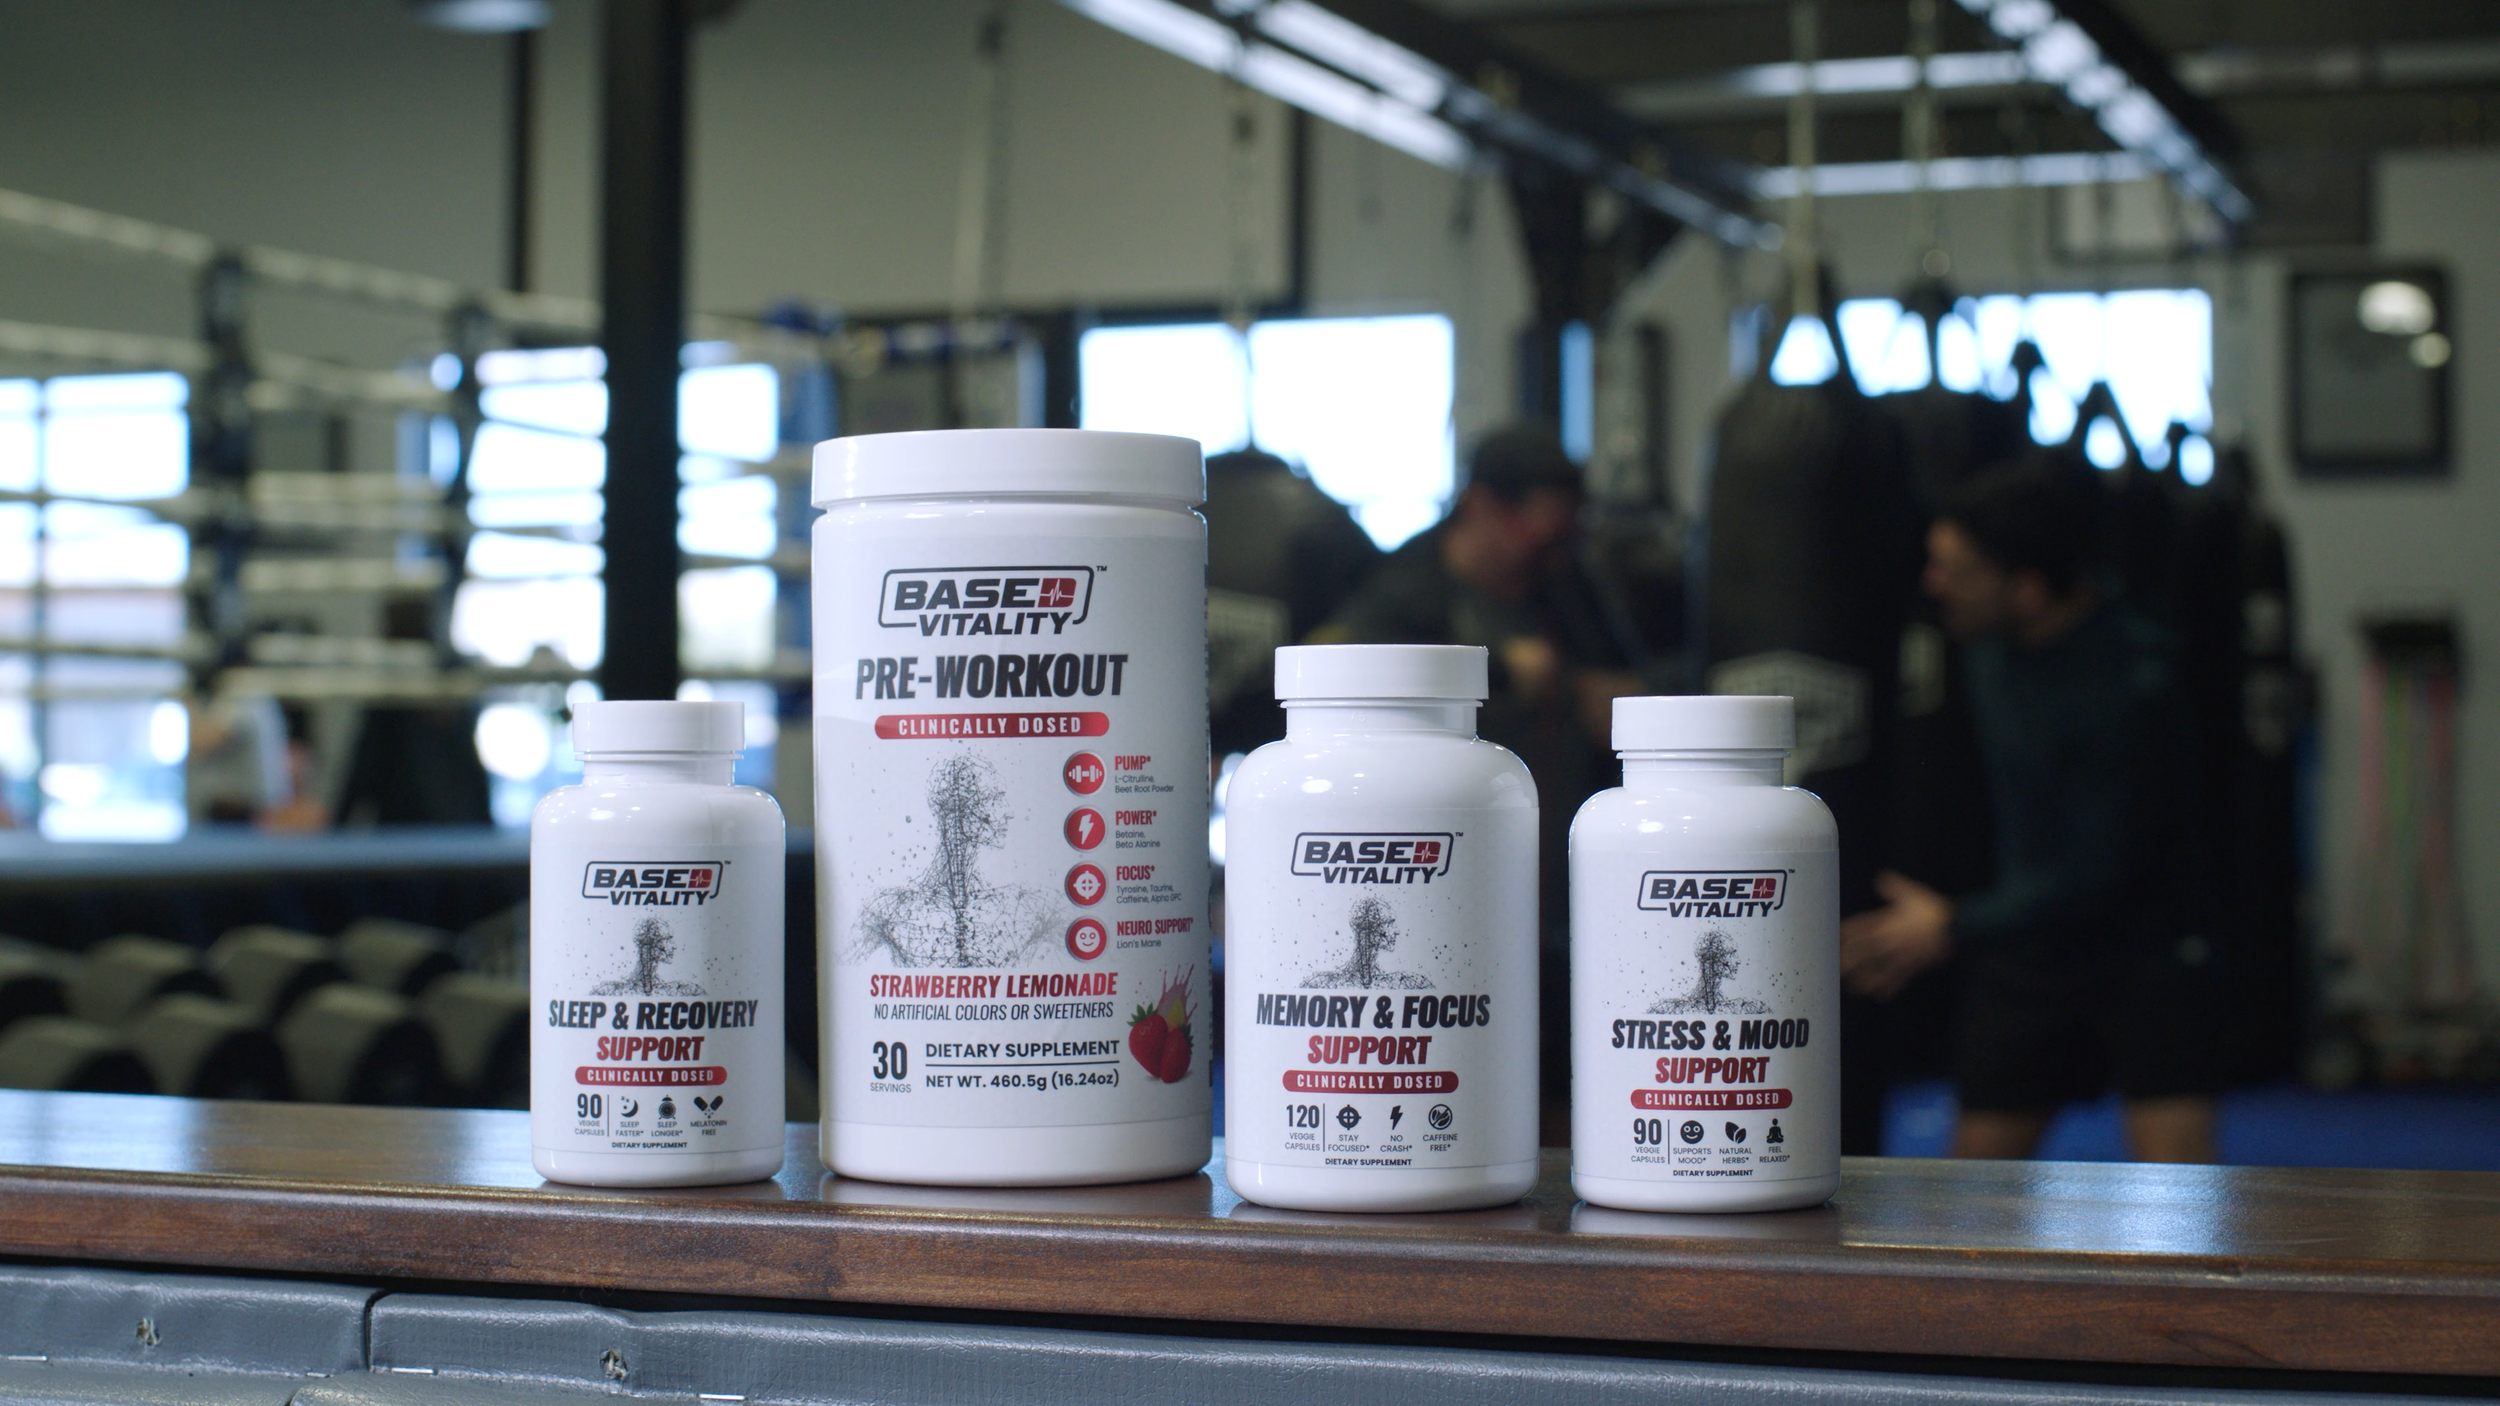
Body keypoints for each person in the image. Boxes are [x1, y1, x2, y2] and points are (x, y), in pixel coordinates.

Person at [1839, 463, 2222, 1162]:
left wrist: (1955, 924)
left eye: (1954, 569)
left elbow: (2104, 872)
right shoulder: (1987, 650)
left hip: (2149, 958)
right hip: (2030, 961)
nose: (1933, 585)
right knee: (1968, 1210)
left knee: (2182, 1214)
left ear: (2029, 589)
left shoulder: (2133, 686)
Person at [1309, 424, 1651, 1140]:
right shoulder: (1404, 591)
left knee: (1570, 1075)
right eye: (1537, 533)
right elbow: (1325, 679)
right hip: (1450, 886)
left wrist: (1575, 686)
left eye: (1564, 538)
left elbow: (1630, 695)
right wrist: (1500, 674)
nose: (1548, 553)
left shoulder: (1563, 584)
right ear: (1482, 506)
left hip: (1561, 878)